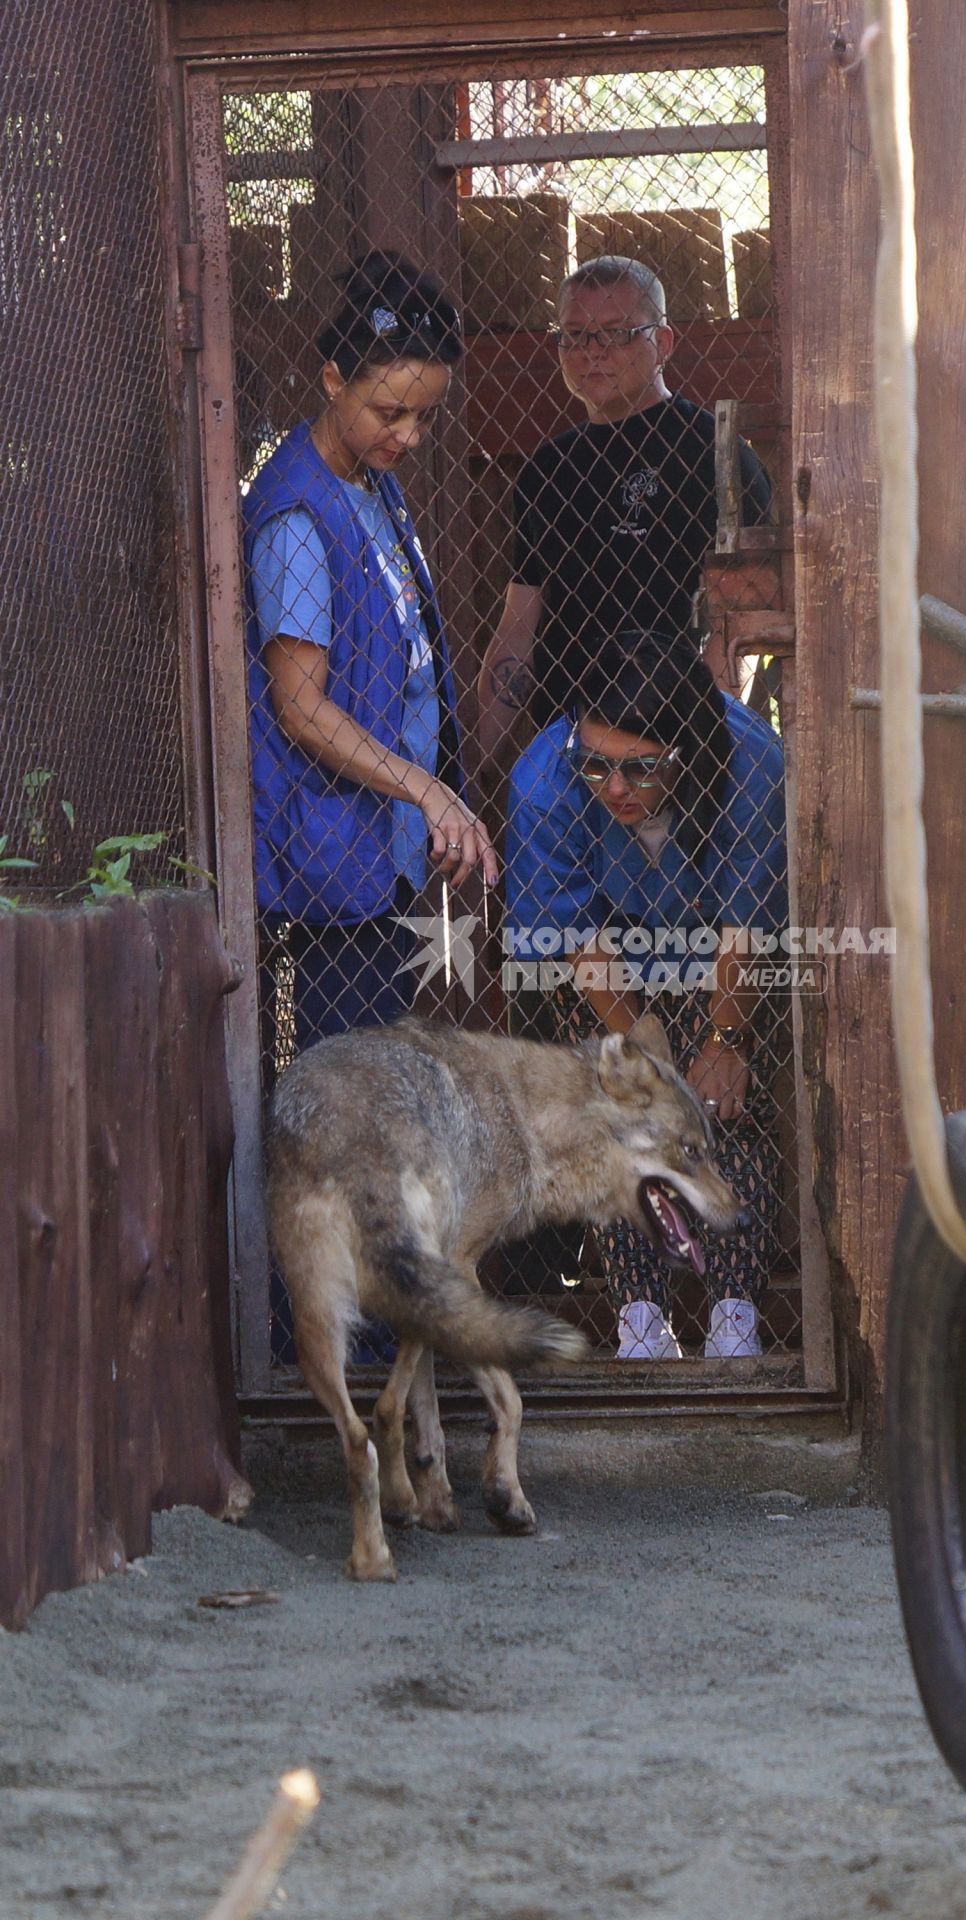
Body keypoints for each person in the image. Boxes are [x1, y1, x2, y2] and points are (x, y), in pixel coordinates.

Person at [244, 251, 498, 1065]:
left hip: (375, 849)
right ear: (331, 379)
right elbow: (300, 706)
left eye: (425, 415)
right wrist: (427, 790)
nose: (410, 435)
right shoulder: (296, 518)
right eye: (390, 410)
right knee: (353, 1086)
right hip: (334, 868)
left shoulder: (364, 475)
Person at [505, 631, 788, 1360]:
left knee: (727, 1102)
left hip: (711, 942)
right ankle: (639, 1318)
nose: (614, 789)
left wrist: (725, 1043)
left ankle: (733, 1311)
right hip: (608, 949)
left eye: (639, 769)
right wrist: (638, 1049)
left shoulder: (753, 760)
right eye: (596, 766)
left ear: (686, 752)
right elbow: (571, 933)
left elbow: (748, 919)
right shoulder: (545, 779)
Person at [476, 255, 772, 763]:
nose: (592, 352)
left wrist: (703, 745)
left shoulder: (716, 457)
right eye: (574, 334)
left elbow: (740, 626)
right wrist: (466, 766)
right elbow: (517, 630)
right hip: (571, 747)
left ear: (663, 343)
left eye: (614, 333)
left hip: (678, 743)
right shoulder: (547, 471)